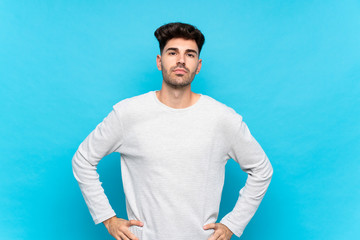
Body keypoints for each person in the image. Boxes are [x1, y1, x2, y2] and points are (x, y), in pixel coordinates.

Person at [72, 22, 273, 240]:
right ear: (159, 61)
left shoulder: (222, 119)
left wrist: (232, 223)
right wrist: (108, 218)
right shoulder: (128, 113)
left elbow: (262, 170)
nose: (181, 60)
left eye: (190, 54)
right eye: (172, 52)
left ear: (198, 65)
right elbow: (82, 160)